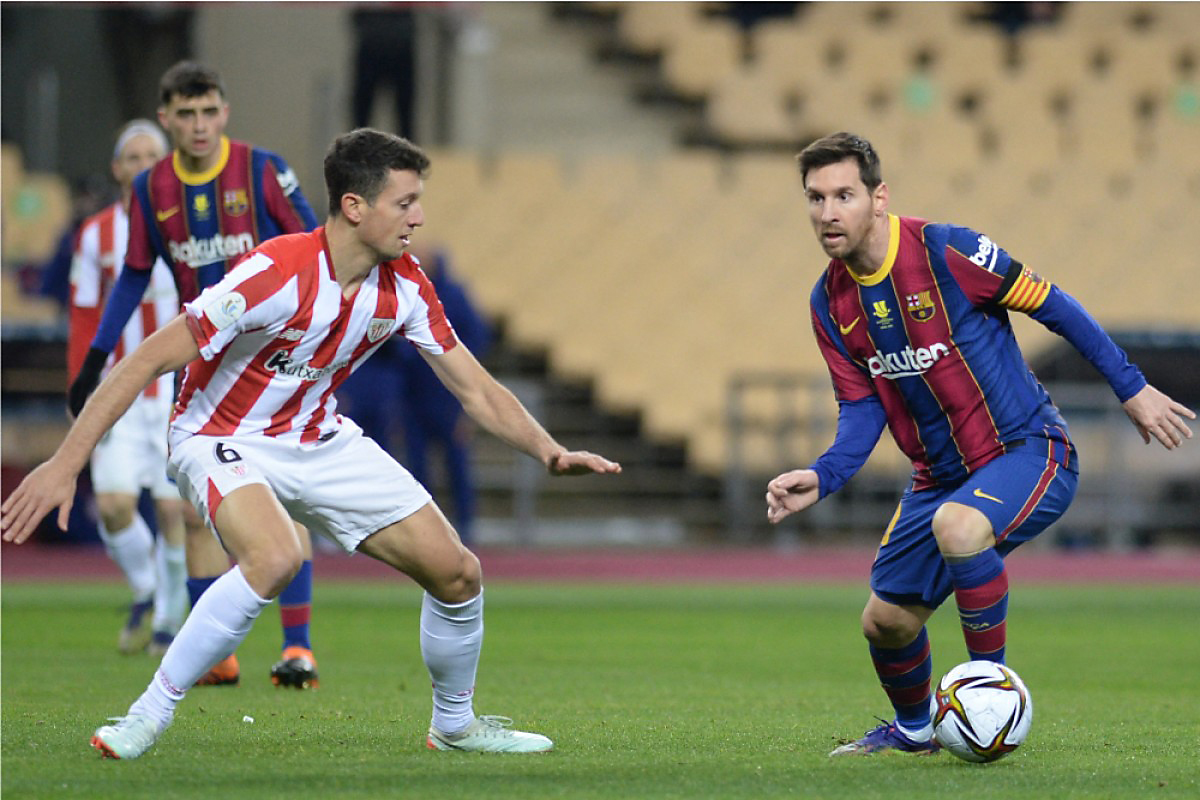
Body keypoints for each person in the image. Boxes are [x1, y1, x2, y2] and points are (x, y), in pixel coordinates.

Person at [1, 128, 622, 760]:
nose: (418, 217)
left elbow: (477, 389)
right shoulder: (275, 272)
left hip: (316, 437)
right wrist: (65, 464)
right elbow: (145, 360)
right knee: (274, 558)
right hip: (218, 435)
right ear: (355, 206)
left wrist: (549, 451)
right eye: (405, 203)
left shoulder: (407, 285)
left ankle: (454, 726)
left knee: (458, 573)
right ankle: (145, 716)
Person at [765, 132, 1195, 757]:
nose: (828, 212)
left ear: (879, 198)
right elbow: (861, 406)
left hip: (1028, 449)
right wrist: (824, 474)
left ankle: (991, 698)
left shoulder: (947, 250)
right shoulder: (829, 303)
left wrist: (1131, 388)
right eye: (815, 198)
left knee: (960, 525)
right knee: (885, 622)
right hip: (937, 479)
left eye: (844, 195)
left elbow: (1054, 305)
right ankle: (915, 731)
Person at [67, 61, 323, 690]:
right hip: (202, 364)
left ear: (225, 112)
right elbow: (134, 272)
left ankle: (297, 647)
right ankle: (219, 655)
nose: (200, 125)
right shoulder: (150, 189)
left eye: (209, 112)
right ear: (168, 119)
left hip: (271, 359)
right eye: (187, 114)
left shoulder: (263, 170)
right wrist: (97, 357)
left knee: (283, 499)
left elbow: (317, 249)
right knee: (193, 510)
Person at [68, 119, 188, 655]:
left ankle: (167, 622)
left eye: (152, 156)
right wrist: (80, 389)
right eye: (132, 157)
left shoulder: (187, 226)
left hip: (176, 389)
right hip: (119, 389)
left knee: (173, 509)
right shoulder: (95, 234)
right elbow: (83, 315)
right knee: (115, 506)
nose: (143, 166)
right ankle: (148, 590)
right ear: (117, 168)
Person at [398, 244, 491, 542]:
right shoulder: (407, 293)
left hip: (449, 397)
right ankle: (426, 530)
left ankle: (465, 525)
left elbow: (476, 339)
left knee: (457, 465)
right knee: (417, 469)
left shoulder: (453, 296)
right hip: (414, 398)